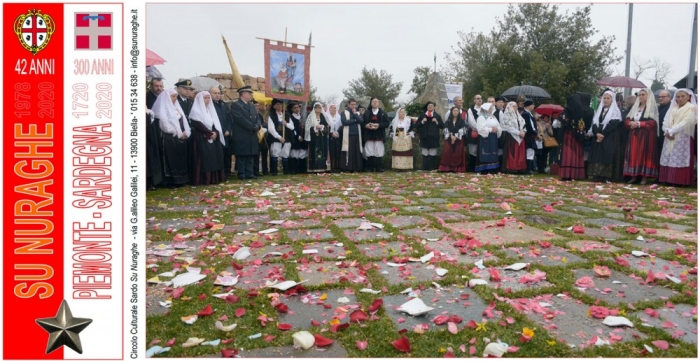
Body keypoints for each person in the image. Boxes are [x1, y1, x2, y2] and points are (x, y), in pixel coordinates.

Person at [153, 88, 190, 187]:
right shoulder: (163, 109)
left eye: (176, 97)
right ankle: (170, 181)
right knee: (170, 159)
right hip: (169, 138)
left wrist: (185, 131)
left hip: (179, 138)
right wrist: (177, 132)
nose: (175, 99)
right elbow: (164, 125)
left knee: (178, 159)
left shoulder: (176, 108)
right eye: (173, 97)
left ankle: (180, 180)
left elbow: (183, 121)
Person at [659, 89, 697, 186]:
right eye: (678, 97)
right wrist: (666, 130)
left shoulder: (691, 108)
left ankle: (679, 180)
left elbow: (687, 122)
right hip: (669, 136)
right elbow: (665, 120)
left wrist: (672, 131)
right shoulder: (673, 108)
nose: (680, 99)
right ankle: (667, 179)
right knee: (669, 156)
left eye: (683, 96)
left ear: (688, 97)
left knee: (680, 158)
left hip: (683, 137)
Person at [188, 91, 226, 186]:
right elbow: (197, 124)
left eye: (208, 98)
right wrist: (209, 133)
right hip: (201, 137)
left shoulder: (210, 110)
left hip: (212, 137)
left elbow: (216, 123)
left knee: (214, 157)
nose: (207, 100)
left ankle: (214, 178)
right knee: (204, 158)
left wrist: (215, 132)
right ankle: (203, 179)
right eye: (205, 98)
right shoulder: (195, 111)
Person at [623, 88, 659, 185]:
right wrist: (630, 123)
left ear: (648, 96)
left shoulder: (651, 108)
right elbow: (627, 118)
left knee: (644, 155)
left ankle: (644, 177)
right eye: (640, 95)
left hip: (646, 136)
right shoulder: (635, 108)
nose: (641, 96)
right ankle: (633, 176)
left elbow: (654, 122)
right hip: (634, 135)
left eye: (643, 94)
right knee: (633, 154)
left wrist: (639, 124)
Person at [587, 90, 623, 182]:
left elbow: (613, 123)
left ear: (612, 99)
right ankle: (597, 174)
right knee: (598, 154)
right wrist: (597, 133)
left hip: (609, 136)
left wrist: (603, 134)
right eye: (604, 98)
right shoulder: (600, 110)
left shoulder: (615, 111)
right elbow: (595, 122)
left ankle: (607, 176)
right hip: (598, 135)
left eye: (608, 98)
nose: (606, 100)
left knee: (607, 154)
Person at [230, 86, 261, 180]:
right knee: (242, 155)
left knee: (250, 155)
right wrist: (252, 126)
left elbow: (257, 117)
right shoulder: (236, 105)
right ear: (243, 94)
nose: (251, 95)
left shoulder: (251, 105)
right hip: (242, 134)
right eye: (249, 93)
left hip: (251, 134)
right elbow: (240, 119)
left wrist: (258, 126)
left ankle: (249, 173)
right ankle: (242, 173)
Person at [414, 101, 444, 171]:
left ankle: (431, 167)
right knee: (424, 152)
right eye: (429, 106)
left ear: (434, 107)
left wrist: (436, 122)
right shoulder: (422, 115)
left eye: (431, 106)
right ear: (427, 107)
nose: (430, 107)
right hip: (424, 136)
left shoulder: (437, 116)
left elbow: (442, 126)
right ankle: (424, 166)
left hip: (433, 136)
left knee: (432, 152)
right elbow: (417, 125)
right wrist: (422, 122)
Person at [362, 97, 390, 172]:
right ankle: (370, 167)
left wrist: (379, 125)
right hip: (369, 134)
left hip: (379, 135)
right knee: (369, 150)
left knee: (379, 150)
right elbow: (362, 123)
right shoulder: (367, 113)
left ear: (378, 103)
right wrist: (366, 125)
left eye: (376, 102)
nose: (374, 103)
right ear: (371, 103)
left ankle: (379, 167)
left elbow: (387, 123)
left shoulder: (383, 113)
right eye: (373, 102)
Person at [210, 86, 233, 178]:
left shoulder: (224, 105)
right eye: (215, 93)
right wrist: (222, 130)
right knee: (218, 155)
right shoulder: (210, 106)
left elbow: (229, 119)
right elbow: (213, 121)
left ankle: (226, 173)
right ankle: (219, 174)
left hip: (226, 135)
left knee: (226, 154)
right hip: (217, 134)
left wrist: (228, 130)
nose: (217, 95)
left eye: (219, 93)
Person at [146, 78, 164, 190]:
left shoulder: (162, 97)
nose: (159, 88)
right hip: (152, 130)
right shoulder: (147, 98)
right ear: (151, 86)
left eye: (161, 86)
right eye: (157, 86)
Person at [268, 98, 294, 175]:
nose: (279, 106)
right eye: (277, 104)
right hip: (276, 138)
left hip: (286, 137)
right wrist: (279, 137)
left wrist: (286, 124)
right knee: (275, 153)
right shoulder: (271, 116)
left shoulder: (286, 115)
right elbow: (271, 129)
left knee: (285, 154)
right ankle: (274, 171)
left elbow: (292, 127)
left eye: (280, 104)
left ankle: (286, 170)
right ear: (274, 106)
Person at [500, 101, 527, 173]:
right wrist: (518, 133)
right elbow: (508, 127)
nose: (516, 108)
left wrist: (523, 132)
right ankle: (511, 168)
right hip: (511, 137)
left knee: (520, 154)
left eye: (516, 106)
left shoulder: (519, 115)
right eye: (514, 106)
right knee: (512, 152)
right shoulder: (507, 116)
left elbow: (523, 124)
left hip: (520, 137)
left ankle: (520, 168)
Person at [475, 103, 502, 173]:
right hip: (485, 138)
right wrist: (490, 130)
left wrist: (497, 129)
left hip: (493, 137)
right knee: (486, 152)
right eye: (490, 108)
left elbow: (498, 125)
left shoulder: (493, 117)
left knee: (493, 152)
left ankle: (493, 168)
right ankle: (484, 169)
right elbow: (480, 129)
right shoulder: (481, 117)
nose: (491, 109)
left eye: (491, 108)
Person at [438, 106, 466, 172]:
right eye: (454, 111)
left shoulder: (461, 121)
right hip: (448, 139)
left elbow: (463, 130)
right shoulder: (448, 120)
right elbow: (445, 129)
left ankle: (457, 169)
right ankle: (446, 168)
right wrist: (451, 136)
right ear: (451, 112)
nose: (455, 112)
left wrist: (455, 137)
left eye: (457, 111)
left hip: (458, 140)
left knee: (457, 154)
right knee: (447, 153)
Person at [340, 99, 365, 172]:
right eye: (352, 104)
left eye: (355, 104)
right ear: (348, 104)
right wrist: (354, 120)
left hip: (357, 134)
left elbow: (361, 121)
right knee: (348, 151)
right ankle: (347, 167)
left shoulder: (357, 113)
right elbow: (344, 122)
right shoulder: (344, 112)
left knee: (356, 151)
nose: (353, 106)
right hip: (348, 135)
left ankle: (356, 168)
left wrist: (355, 114)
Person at [305, 102, 330, 172]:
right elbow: (307, 128)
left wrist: (322, 127)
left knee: (322, 151)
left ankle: (322, 167)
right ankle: (313, 167)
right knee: (313, 151)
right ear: (314, 108)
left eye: (319, 107)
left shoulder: (324, 116)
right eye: (316, 107)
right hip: (314, 137)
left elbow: (328, 126)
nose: (318, 109)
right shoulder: (310, 116)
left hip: (322, 137)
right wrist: (315, 127)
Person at [288, 102, 308, 174]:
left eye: (297, 107)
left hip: (303, 137)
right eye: (295, 108)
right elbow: (292, 128)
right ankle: (294, 169)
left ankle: (302, 169)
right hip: (295, 137)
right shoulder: (291, 117)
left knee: (302, 153)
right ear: (292, 109)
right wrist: (298, 136)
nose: (297, 109)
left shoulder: (302, 117)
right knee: (294, 153)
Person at [466, 94, 484, 171]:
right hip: (474, 132)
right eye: (477, 98)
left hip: (483, 133)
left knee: (481, 150)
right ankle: (472, 168)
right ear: (474, 100)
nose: (479, 100)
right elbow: (471, 122)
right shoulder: (470, 109)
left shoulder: (484, 109)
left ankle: (480, 167)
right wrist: (480, 129)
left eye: (480, 98)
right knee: (473, 150)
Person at [252, 99, 269, 176]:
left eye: (258, 106)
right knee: (256, 156)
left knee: (264, 154)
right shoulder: (251, 114)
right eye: (255, 106)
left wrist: (264, 126)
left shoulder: (260, 115)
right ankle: (256, 171)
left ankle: (265, 170)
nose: (257, 107)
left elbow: (263, 124)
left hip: (263, 138)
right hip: (255, 137)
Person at [521, 100, 538, 174]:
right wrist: (535, 133)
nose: (534, 106)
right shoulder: (526, 114)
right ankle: (528, 168)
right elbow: (529, 126)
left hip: (530, 135)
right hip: (528, 135)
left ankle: (529, 168)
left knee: (531, 151)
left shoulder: (529, 114)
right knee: (529, 151)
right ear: (529, 106)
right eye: (532, 104)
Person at [656, 89, 673, 163]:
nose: (660, 98)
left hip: (666, 135)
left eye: (663, 97)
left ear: (669, 97)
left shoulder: (671, 108)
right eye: (659, 97)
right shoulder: (658, 107)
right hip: (657, 135)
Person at [325, 103, 343, 172]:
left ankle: (337, 167)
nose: (333, 109)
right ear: (329, 109)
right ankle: (331, 167)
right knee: (331, 151)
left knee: (337, 150)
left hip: (338, 136)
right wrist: (331, 133)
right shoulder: (326, 117)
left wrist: (337, 132)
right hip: (329, 136)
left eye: (335, 108)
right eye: (331, 108)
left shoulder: (339, 117)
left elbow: (341, 126)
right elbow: (326, 127)